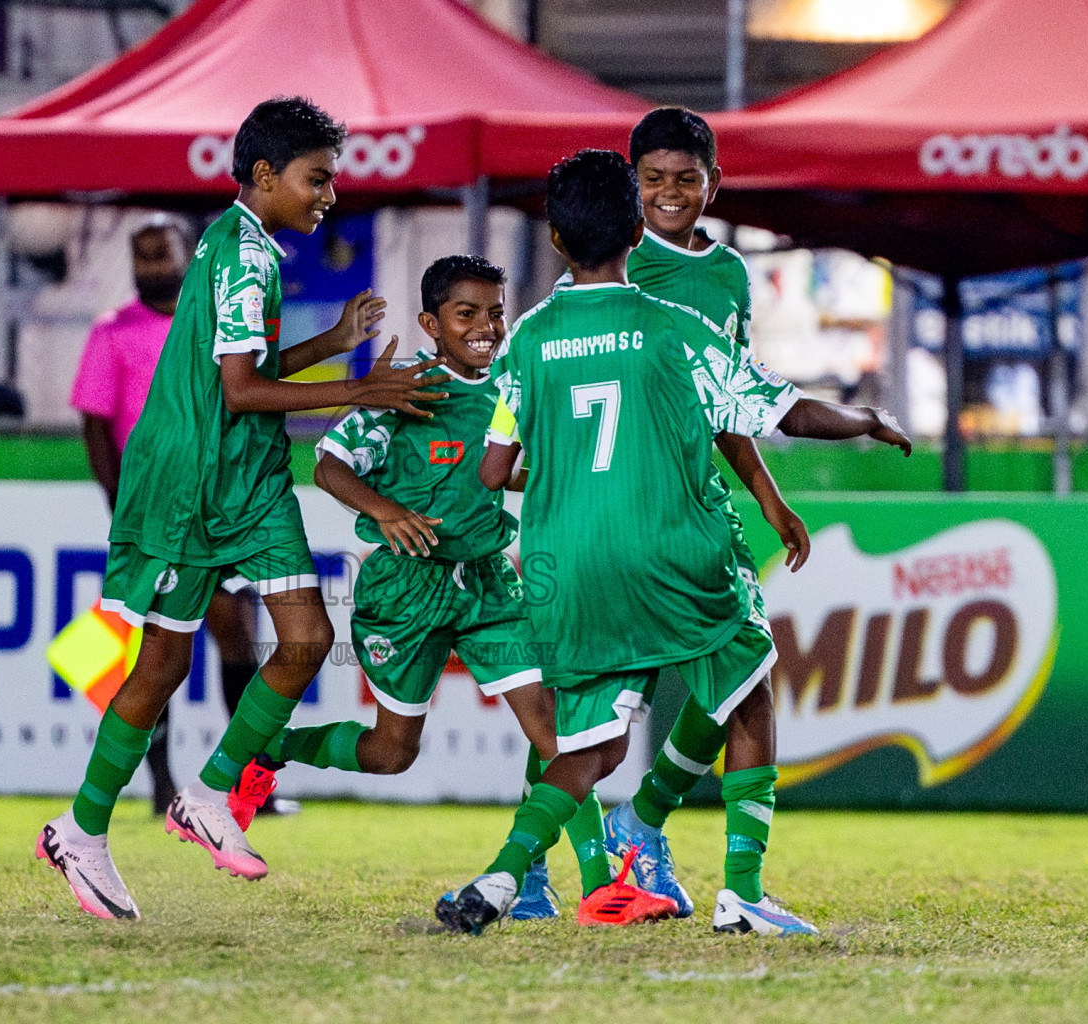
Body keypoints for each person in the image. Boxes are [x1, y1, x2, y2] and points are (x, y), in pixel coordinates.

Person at [435, 149, 911, 937]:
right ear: (633, 230)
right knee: (749, 686)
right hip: (670, 550)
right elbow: (780, 411)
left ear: (555, 238)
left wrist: (563, 479)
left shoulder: (526, 337)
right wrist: (864, 418)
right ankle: (743, 892)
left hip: (568, 563)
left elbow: (493, 470)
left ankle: (502, 875)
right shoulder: (672, 328)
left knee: (590, 745)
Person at [35, 96, 444, 920]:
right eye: (316, 179)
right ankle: (83, 830)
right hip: (196, 481)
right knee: (163, 664)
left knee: (305, 637)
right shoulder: (244, 256)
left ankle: (209, 792)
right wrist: (362, 386)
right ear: (265, 175)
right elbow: (241, 389)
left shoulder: (241, 243)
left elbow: (250, 368)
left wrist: (329, 345)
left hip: (245, 474)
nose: (328, 196)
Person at [262, 255, 661, 925]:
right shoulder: (408, 386)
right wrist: (387, 512)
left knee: (555, 726)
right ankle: (279, 747)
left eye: (496, 312)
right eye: (467, 314)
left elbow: (499, 472)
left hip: (486, 584)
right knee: (392, 753)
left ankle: (598, 887)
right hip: (404, 591)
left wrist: (576, 483)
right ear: (431, 323)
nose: (486, 326)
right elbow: (329, 463)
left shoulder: (511, 382)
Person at [598, 106, 813, 918]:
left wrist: (769, 496)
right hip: (631, 510)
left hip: (695, 505)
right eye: (653, 180)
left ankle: (638, 827)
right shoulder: (610, 265)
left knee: (733, 677)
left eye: (686, 179)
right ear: (632, 186)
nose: (670, 194)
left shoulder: (727, 276)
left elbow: (726, 404)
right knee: (598, 700)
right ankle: (697, 866)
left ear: (713, 184)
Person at [69, 213, 265, 817]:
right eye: (142, 254)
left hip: (218, 506)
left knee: (235, 631)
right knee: (157, 648)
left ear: (188, 252)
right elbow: (96, 426)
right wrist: (119, 501)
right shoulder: (111, 332)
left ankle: (250, 788)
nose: (151, 263)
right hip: (153, 514)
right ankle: (159, 781)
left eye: (162, 252)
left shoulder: (214, 323)